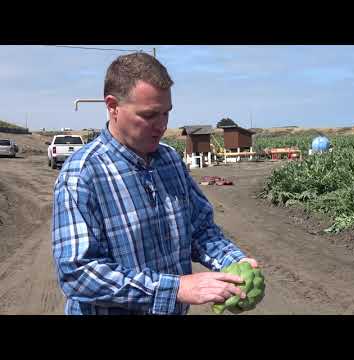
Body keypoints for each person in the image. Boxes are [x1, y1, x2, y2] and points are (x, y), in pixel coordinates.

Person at [52, 52, 258, 315]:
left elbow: (200, 229)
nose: (161, 126)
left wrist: (235, 263)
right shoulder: (82, 175)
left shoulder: (169, 160)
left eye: (166, 113)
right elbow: (78, 273)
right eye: (149, 115)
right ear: (113, 106)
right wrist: (175, 289)